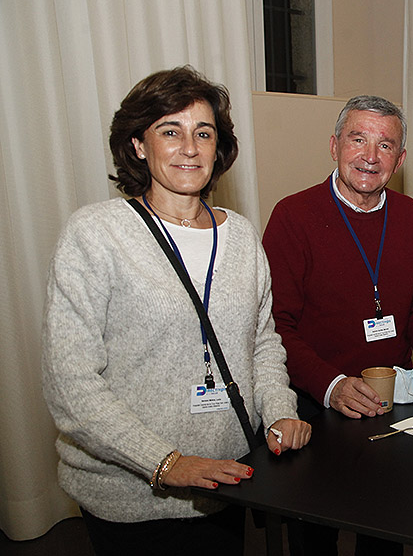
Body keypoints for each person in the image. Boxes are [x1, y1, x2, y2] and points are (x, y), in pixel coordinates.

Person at [41, 66, 312, 556]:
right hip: (132, 498)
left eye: (203, 133)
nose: (190, 147)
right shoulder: (95, 235)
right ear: (138, 146)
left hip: (227, 482)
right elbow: (69, 381)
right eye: (171, 130)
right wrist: (164, 463)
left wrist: (278, 412)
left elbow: (263, 340)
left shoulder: (242, 236)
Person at [262, 95, 413, 555]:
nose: (370, 156)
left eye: (385, 145)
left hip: (394, 405)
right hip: (316, 406)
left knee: (387, 530)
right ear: (334, 146)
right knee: (315, 537)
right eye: (358, 139)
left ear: (400, 159)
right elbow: (275, 326)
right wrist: (331, 385)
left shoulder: (411, 217)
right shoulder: (292, 217)